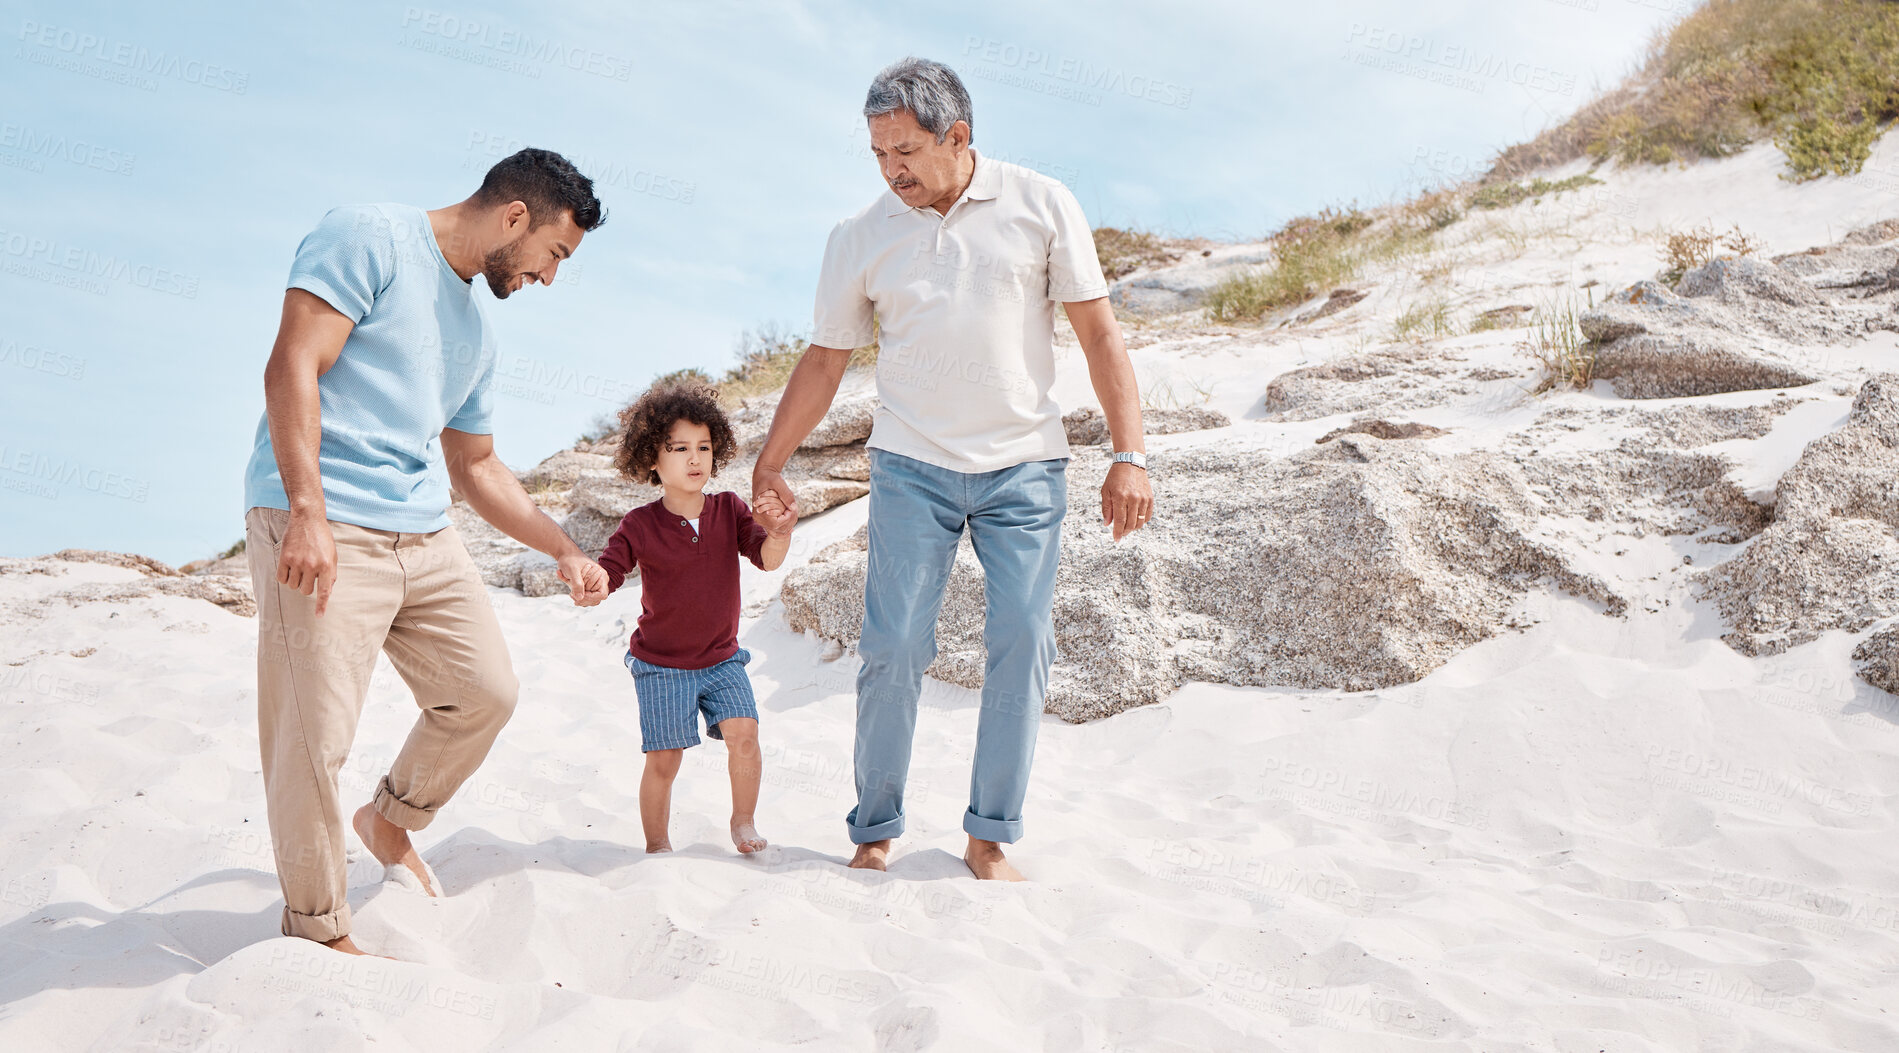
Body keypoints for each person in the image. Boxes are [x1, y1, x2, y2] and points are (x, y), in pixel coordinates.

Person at [751, 58, 1154, 882]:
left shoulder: (1042, 204)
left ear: (957, 137)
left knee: (1021, 639)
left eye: (903, 150)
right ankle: (874, 828)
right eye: (876, 154)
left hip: (1024, 467)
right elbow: (826, 361)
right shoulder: (860, 236)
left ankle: (988, 835)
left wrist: (1128, 453)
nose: (890, 170)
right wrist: (769, 459)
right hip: (910, 465)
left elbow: (1099, 336)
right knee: (893, 644)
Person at [242, 148, 611, 956]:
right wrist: (308, 508)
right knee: (312, 741)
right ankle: (317, 931)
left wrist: (563, 548)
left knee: (485, 692)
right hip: (323, 522)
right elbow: (294, 362)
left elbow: (475, 464)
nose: (551, 277)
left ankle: (391, 819)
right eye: (556, 254)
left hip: (425, 534)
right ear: (516, 217)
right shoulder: (367, 237)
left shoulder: (474, 332)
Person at [596, 381, 796, 856]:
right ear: (651, 459)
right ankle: (657, 844)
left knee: (744, 734)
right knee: (664, 759)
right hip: (661, 664)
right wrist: (593, 583)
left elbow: (766, 557)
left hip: (722, 658)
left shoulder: (729, 509)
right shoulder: (639, 524)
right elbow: (609, 571)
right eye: (680, 448)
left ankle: (743, 822)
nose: (695, 458)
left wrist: (781, 531)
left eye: (704, 447)